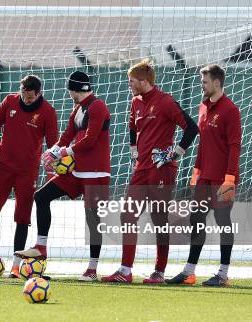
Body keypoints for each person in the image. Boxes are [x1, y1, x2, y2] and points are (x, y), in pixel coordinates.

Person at [102, 59, 198, 284]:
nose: (129, 84)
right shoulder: (135, 102)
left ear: (144, 81)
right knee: (127, 214)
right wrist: (133, 149)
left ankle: (159, 272)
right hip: (141, 169)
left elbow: (191, 128)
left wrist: (175, 153)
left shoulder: (165, 102)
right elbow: (132, 128)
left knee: (159, 219)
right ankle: (125, 271)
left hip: (162, 170)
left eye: (132, 81)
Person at [15, 71, 111, 282]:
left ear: (75, 89)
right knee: (41, 196)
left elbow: (90, 140)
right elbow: (67, 135)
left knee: (93, 219)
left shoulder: (98, 106)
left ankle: (92, 269)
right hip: (76, 171)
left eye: (70, 90)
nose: (69, 94)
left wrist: (61, 153)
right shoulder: (78, 108)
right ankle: (41, 246)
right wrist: (52, 150)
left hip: (96, 172)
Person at [0, 75, 58, 278]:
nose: (25, 100)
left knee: (22, 217)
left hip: (27, 172)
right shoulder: (9, 101)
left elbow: (53, 144)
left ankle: (16, 266)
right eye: (23, 95)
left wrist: (51, 172)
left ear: (39, 94)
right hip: (2, 166)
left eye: (29, 98)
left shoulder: (48, 111)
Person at [166, 64, 241, 287]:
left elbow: (235, 146)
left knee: (223, 222)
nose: (202, 85)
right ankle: (189, 272)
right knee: (196, 219)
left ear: (217, 83)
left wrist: (229, 179)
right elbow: (202, 145)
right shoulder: (203, 107)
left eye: (205, 82)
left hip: (223, 179)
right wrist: (195, 174)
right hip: (204, 178)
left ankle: (223, 274)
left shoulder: (230, 110)